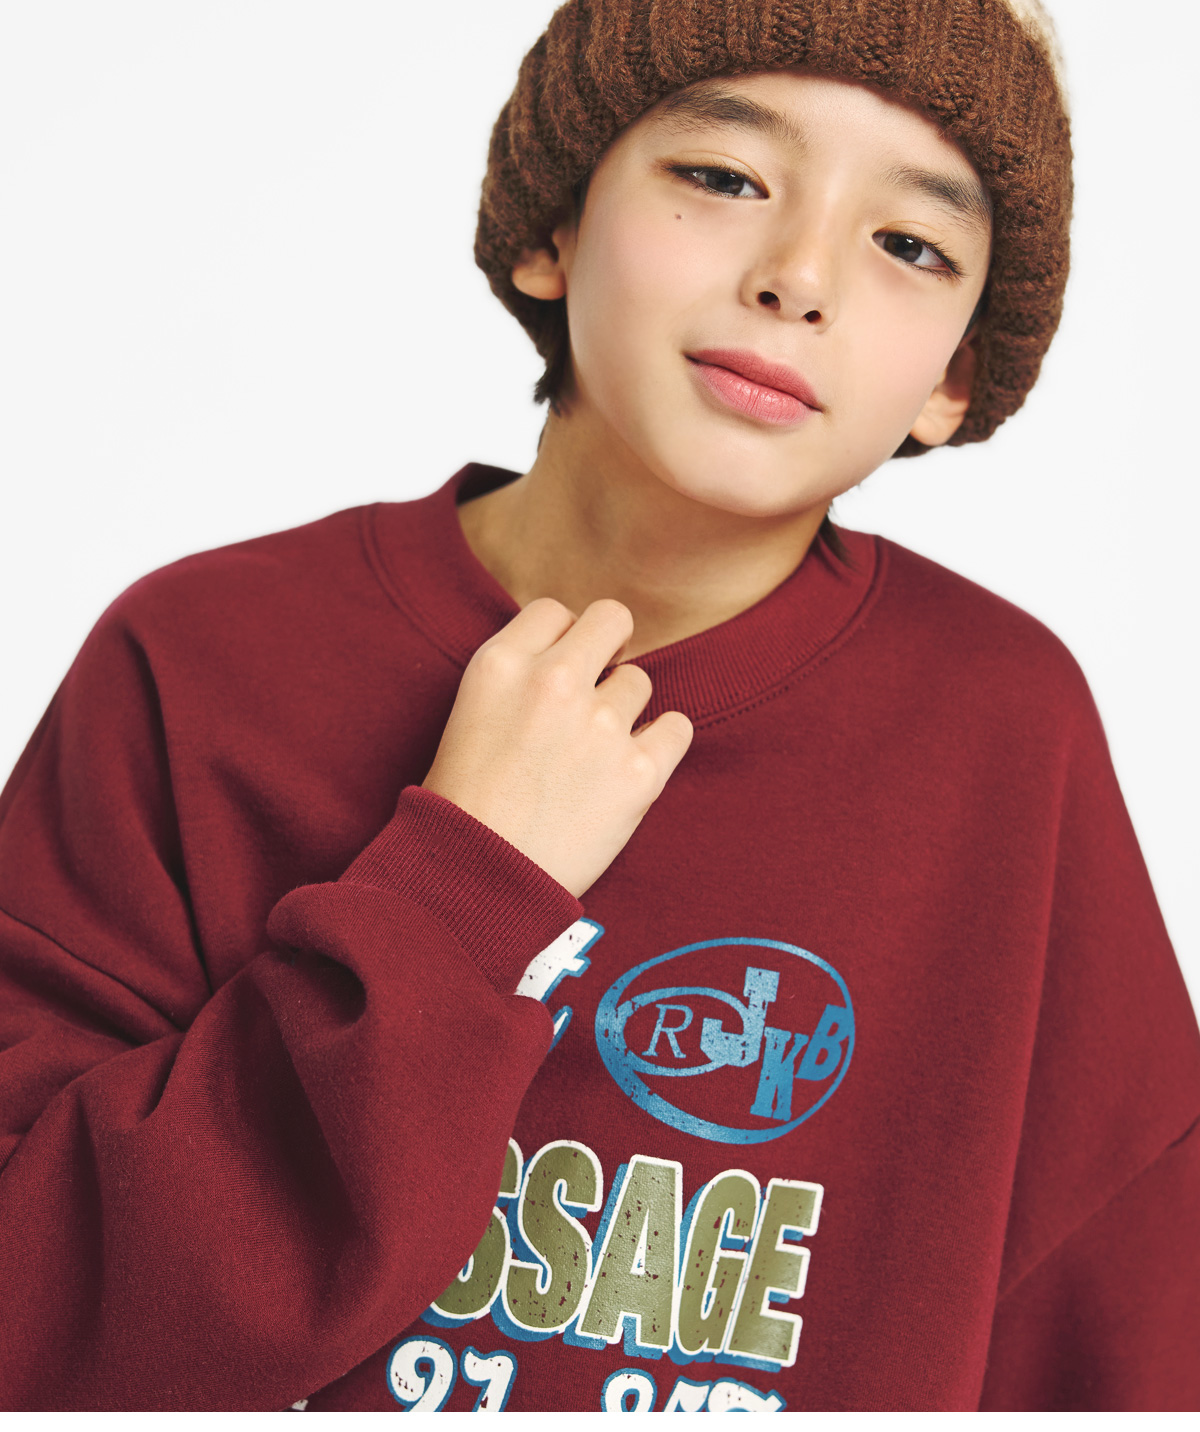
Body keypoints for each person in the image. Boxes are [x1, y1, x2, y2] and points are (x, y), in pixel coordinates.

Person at [1, 0, 1197, 1413]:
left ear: (953, 377)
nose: (799, 277)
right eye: (724, 177)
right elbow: (40, 1317)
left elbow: (1123, 1339)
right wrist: (462, 886)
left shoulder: (1004, 733)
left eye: (911, 245)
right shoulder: (205, 659)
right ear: (553, 228)